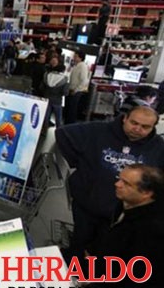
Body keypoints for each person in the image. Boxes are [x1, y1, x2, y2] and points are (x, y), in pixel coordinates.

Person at [55, 106, 164, 266]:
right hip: (88, 203)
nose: (138, 129)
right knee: (80, 241)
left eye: (145, 127)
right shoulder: (98, 130)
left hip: (122, 213)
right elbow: (62, 133)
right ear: (125, 118)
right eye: (134, 123)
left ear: (153, 127)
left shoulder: (159, 147)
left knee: (106, 251)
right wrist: (79, 163)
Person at [84, 164, 164, 288]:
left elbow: (137, 282)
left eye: (126, 183)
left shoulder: (152, 231)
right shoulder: (125, 204)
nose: (117, 184)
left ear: (146, 193)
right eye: (119, 179)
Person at [41, 55, 69, 128]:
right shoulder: (64, 79)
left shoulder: (46, 75)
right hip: (57, 100)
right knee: (58, 118)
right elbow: (65, 92)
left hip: (47, 97)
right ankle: (59, 131)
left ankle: (44, 130)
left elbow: (41, 87)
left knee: (46, 117)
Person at [65, 51, 89, 124]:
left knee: (72, 108)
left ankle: (70, 123)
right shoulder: (76, 65)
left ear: (80, 58)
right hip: (72, 89)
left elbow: (84, 80)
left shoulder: (82, 66)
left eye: (76, 56)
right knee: (70, 107)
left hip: (76, 91)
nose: (74, 58)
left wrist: (76, 90)